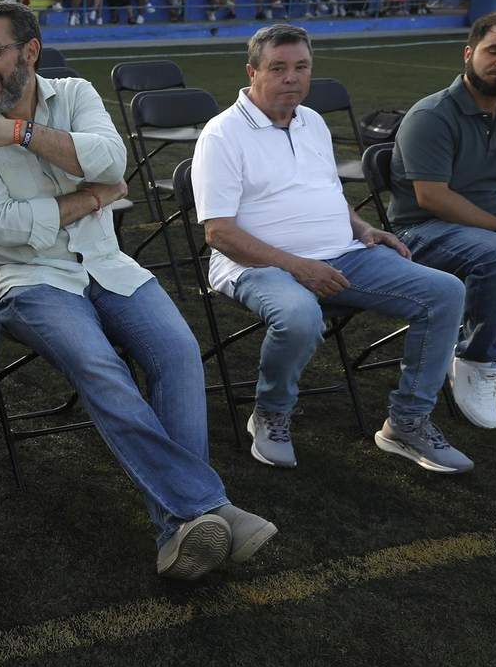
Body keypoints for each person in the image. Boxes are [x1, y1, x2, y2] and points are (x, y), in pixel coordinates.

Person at [0, 2, 278, 579]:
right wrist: (95, 197)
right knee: (103, 368)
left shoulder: (74, 94)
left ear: (30, 51)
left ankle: (180, 530)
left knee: (178, 352)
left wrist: (21, 133)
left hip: (107, 264)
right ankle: (206, 507)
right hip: (30, 281)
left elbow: (112, 158)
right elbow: (3, 227)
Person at [193, 25, 472, 472]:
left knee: (446, 292)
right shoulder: (222, 134)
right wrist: (300, 267)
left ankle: (407, 422)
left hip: (343, 252)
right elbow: (219, 234)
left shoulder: (312, 121)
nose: (292, 78)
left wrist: (363, 228)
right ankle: (270, 412)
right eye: (278, 68)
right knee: (301, 316)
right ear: (252, 72)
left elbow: (326, 193)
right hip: (254, 264)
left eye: (301, 67)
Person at [389, 10, 496, 428]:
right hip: (421, 233)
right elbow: (432, 197)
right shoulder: (432, 115)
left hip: (490, 233)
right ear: (469, 53)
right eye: (494, 50)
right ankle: (475, 359)